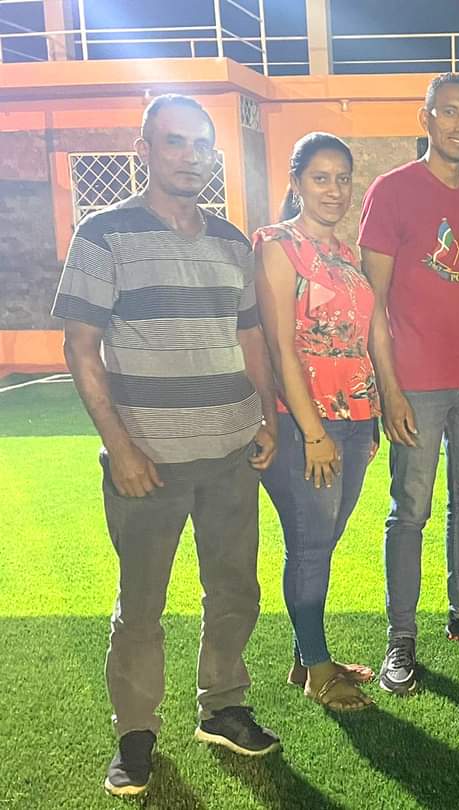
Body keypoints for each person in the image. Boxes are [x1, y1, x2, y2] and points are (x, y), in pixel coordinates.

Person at [52, 95, 281, 798]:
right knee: (142, 605)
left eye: (201, 144)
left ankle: (223, 706)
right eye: (175, 142)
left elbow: (249, 335)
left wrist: (266, 416)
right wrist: (120, 447)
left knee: (235, 590)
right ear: (144, 150)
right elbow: (81, 346)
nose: (190, 156)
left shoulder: (232, 241)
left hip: (230, 454)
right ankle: (136, 733)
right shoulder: (104, 234)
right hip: (146, 460)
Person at [358, 73, 459, 697]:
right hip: (417, 387)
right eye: (449, 112)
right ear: (425, 118)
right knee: (411, 510)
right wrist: (390, 389)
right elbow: (372, 304)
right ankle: (401, 636)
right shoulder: (392, 191)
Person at [253, 133, 381, 712]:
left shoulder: (346, 254)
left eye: (343, 178)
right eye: (320, 178)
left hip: (355, 418)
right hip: (306, 423)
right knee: (309, 544)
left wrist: (369, 419)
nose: (334, 189)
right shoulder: (277, 246)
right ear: (296, 182)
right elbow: (279, 346)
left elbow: (360, 341)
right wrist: (313, 432)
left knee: (322, 542)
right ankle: (318, 670)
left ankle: (305, 655)